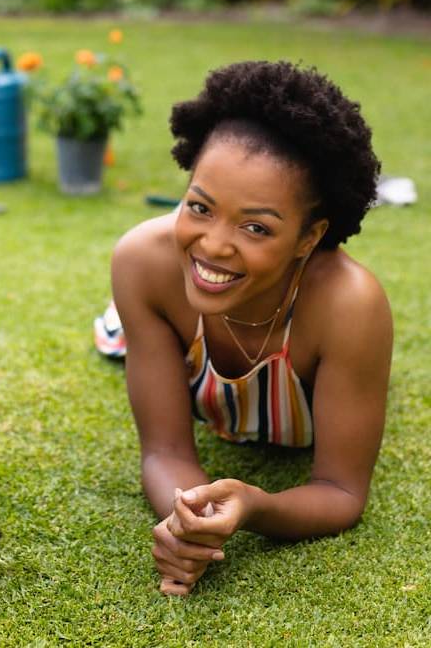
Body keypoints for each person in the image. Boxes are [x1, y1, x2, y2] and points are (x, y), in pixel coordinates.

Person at [107, 60, 391, 597]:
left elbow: (340, 491)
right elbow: (164, 453)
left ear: (309, 238)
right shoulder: (144, 263)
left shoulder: (349, 307)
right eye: (200, 207)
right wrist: (189, 519)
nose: (214, 244)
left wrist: (256, 507)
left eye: (256, 227)